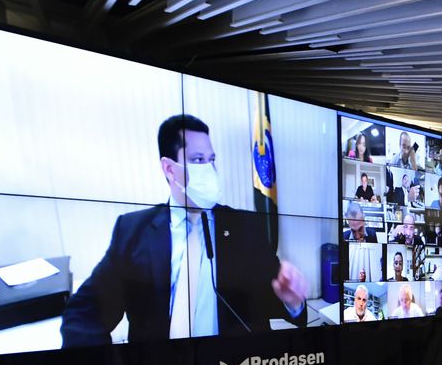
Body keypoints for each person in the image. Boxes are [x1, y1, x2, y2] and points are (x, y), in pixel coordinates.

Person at [61, 114, 307, 347]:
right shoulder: (132, 231)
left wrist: (293, 301)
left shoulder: (245, 226)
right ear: (169, 169)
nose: (209, 170)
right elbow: (85, 312)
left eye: (211, 160)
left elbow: (278, 302)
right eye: (198, 160)